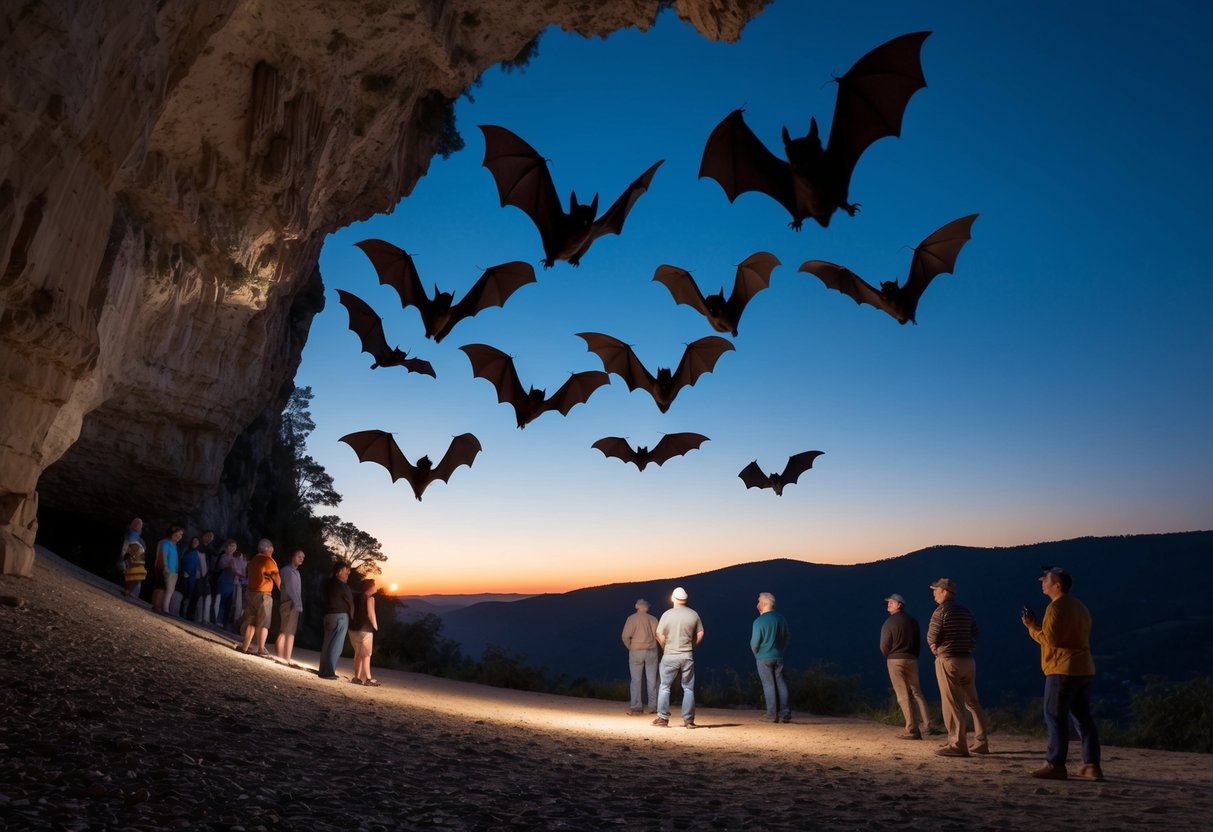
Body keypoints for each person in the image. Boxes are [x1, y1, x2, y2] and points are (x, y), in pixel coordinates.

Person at [1022, 566, 1103, 781]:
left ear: (1057, 585)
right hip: (1084, 668)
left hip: (1062, 669)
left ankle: (1055, 763)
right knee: (1083, 718)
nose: (1042, 582)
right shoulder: (1080, 607)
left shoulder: (1056, 608)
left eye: (1045, 580)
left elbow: (1052, 640)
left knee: (1055, 717)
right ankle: (1092, 765)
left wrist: (1032, 627)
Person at [927, 577, 990, 757]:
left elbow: (931, 636)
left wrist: (935, 649)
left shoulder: (940, 612)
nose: (933, 594)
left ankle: (957, 744)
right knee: (972, 702)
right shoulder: (966, 611)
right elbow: (976, 633)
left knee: (952, 703)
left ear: (945, 592)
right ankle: (981, 742)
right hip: (968, 661)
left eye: (936, 590)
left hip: (949, 660)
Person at [880, 592, 937, 739]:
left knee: (902, 695)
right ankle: (928, 724)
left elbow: (884, 645)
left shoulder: (889, 622)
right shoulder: (913, 621)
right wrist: (913, 656)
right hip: (912, 659)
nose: (888, 604)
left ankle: (912, 729)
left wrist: (889, 656)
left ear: (899, 605)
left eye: (891, 602)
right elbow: (918, 641)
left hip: (895, 660)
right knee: (917, 692)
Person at [653, 586, 704, 729]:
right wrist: (692, 647)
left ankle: (663, 718)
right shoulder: (694, 614)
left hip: (670, 655)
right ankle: (689, 720)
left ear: (673, 599)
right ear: (686, 599)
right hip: (687, 655)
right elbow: (700, 634)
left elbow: (658, 634)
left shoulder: (667, 614)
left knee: (664, 686)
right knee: (688, 688)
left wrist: (665, 646)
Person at [751, 591, 792, 723]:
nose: (757, 604)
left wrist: (757, 653)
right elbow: (786, 637)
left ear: (763, 604)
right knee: (781, 683)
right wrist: (780, 650)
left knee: (768, 685)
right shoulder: (781, 619)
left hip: (763, 657)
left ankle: (771, 715)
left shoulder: (759, 621)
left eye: (758, 601)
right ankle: (785, 713)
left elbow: (755, 642)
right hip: (778, 656)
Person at [238, 539, 281, 656]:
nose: (272, 550)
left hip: (250, 593)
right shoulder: (269, 561)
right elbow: (277, 578)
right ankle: (261, 649)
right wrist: (284, 593)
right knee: (263, 622)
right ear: (269, 549)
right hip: (263, 595)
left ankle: (245, 646)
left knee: (251, 620)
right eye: (271, 548)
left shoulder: (253, 560)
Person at [621, 598, 659, 715]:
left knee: (636, 680)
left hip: (636, 651)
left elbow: (625, 636)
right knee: (652, 680)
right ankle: (653, 706)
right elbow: (658, 635)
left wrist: (631, 647)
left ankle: (636, 705)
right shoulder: (653, 619)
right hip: (651, 651)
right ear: (646, 607)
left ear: (637, 606)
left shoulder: (631, 619)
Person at [319, 560, 354, 679]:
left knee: (327, 643)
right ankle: (329, 672)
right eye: (346, 572)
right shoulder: (342, 586)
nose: (348, 575)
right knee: (336, 646)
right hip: (340, 617)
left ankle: (323, 670)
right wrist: (352, 618)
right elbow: (350, 602)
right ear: (339, 572)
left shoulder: (326, 584)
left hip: (328, 616)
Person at [275, 548, 305, 663]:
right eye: (299, 556)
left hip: (294, 604)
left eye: (303, 558)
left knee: (289, 632)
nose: (301, 559)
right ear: (292, 557)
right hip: (289, 603)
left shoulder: (296, 572)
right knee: (285, 631)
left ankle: (286, 658)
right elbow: (291, 589)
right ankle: (281, 657)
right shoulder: (287, 571)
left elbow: (297, 591)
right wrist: (298, 604)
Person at [349, 578, 380, 686]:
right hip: (365, 629)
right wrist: (375, 626)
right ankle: (368, 679)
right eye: (374, 585)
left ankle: (356, 678)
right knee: (366, 655)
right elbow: (371, 614)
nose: (375, 587)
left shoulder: (355, 597)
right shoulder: (370, 598)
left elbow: (351, 611)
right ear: (370, 588)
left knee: (358, 654)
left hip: (352, 629)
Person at [154, 525, 184, 614]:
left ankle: (164, 608)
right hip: (164, 568)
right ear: (172, 533)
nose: (179, 536)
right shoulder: (165, 543)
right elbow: (163, 555)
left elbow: (174, 559)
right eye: (178, 534)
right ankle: (156, 606)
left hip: (172, 571)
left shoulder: (174, 545)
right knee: (161, 588)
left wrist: (175, 571)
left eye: (181, 535)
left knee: (167, 590)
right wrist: (165, 566)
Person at [179, 536, 205, 620]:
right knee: (183, 595)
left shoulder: (200, 554)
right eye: (193, 541)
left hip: (193, 578)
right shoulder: (186, 551)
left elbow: (203, 569)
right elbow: (182, 562)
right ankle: (181, 612)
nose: (194, 543)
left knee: (189, 596)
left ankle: (187, 614)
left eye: (196, 541)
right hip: (184, 576)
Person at [214, 539, 238, 628]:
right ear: (226, 547)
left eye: (234, 546)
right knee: (221, 601)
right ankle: (218, 619)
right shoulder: (224, 556)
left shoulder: (234, 558)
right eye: (231, 546)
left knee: (228, 602)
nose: (232, 548)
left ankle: (224, 621)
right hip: (224, 580)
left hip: (231, 582)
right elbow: (222, 566)